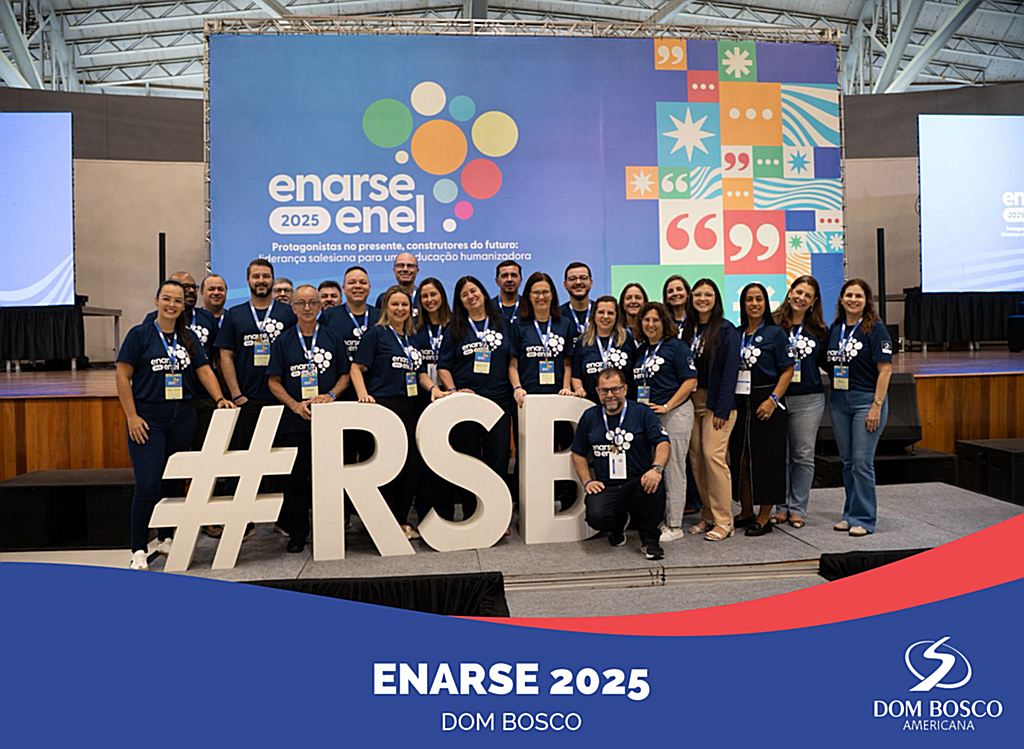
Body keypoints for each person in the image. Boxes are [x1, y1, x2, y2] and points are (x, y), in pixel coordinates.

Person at [116, 280, 234, 570]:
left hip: (182, 417)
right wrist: (132, 416)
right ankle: (138, 548)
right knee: (148, 483)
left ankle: (166, 537)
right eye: (167, 298)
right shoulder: (140, 334)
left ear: (184, 305)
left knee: (173, 481)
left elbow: (204, 370)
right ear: (156, 300)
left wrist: (220, 398)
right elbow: (122, 376)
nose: (172, 305)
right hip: (149, 418)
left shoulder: (188, 337)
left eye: (178, 300)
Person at [214, 258, 297, 533]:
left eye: (265, 276)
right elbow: (225, 356)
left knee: (283, 463)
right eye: (256, 276)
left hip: (282, 400)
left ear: (273, 279)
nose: (261, 281)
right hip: (247, 400)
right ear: (248, 280)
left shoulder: (287, 314)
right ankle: (243, 521)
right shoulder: (235, 315)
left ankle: (284, 521)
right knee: (244, 462)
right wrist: (236, 395)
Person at [267, 285, 351, 552]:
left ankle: (331, 529)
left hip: (328, 420)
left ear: (320, 306)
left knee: (329, 476)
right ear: (292, 308)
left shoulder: (332, 337)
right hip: (295, 420)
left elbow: (345, 375)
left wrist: (330, 395)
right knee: (295, 479)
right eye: (301, 303)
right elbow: (273, 381)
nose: (307, 308)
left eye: (312, 303)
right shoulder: (283, 341)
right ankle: (298, 532)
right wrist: (294, 405)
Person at [351, 286, 437, 540]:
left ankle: (400, 519)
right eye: (394, 304)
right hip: (384, 409)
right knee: (386, 467)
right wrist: (363, 394)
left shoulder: (413, 338)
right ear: (385, 308)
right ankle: (382, 523)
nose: (400, 309)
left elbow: (420, 374)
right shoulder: (375, 334)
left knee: (409, 468)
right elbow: (356, 368)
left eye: (404, 305)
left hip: (411, 408)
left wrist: (435, 390)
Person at [571, 367, 670, 561]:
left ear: (624, 389)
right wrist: (587, 481)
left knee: (654, 486)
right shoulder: (590, 416)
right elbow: (577, 453)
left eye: (615, 389)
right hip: (607, 484)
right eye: (604, 390)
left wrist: (657, 469)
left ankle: (650, 540)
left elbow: (662, 443)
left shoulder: (642, 412)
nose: (610, 395)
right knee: (596, 516)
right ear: (597, 391)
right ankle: (617, 526)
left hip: (638, 481)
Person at [436, 276, 512, 522]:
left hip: (498, 401)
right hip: (466, 405)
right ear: (459, 301)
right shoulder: (455, 328)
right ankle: (472, 513)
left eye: (474, 291)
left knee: (497, 459)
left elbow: (512, 360)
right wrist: (454, 390)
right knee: (468, 459)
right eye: (464, 294)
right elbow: (443, 366)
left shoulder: (502, 323)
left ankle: (497, 516)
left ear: (483, 292)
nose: (471, 296)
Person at [826, 278, 893, 537]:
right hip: (839, 401)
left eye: (859, 296)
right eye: (849, 295)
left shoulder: (875, 329)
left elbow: (885, 370)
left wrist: (876, 406)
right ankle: (850, 514)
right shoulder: (836, 328)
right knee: (847, 462)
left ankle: (864, 518)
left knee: (862, 462)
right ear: (841, 299)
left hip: (867, 401)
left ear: (867, 301)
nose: (853, 300)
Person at [729, 283, 795, 536]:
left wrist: (772, 399)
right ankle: (746, 511)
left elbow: (788, 370)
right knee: (742, 458)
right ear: (743, 304)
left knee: (767, 460)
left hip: (767, 399)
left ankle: (765, 515)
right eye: (749, 299)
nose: (754, 304)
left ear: (766, 303)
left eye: (759, 299)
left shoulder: (776, 333)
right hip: (741, 401)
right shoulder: (736, 333)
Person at [509, 272, 577, 511]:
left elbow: (567, 361)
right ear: (528, 296)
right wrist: (518, 388)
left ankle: (565, 500)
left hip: (558, 400)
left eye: (545, 292)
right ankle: (528, 504)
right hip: (528, 400)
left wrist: (566, 387)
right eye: (536, 292)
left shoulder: (564, 324)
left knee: (561, 449)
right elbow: (512, 363)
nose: (541, 297)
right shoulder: (519, 326)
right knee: (529, 452)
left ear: (552, 294)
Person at [632, 302, 697, 542]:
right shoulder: (642, 351)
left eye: (655, 320)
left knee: (673, 468)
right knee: (654, 467)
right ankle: (662, 517)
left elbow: (690, 381)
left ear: (664, 322)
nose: (650, 324)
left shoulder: (677, 347)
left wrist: (668, 405)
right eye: (646, 320)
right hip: (650, 416)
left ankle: (675, 524)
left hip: (675, 414)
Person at [683, 279, 740, 542]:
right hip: (691, 401)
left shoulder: (727, 330)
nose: (702, 299)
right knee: (696, 459)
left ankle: (724, 520)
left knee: (712, 456)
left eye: (708, 294)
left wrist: (723, 407)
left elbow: (730, 372)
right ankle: (707, 514)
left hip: (717, 403)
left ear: (716, 299)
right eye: (698, 294)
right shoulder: (687, 329)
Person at [772, 275, 829, 528]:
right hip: (778, 398)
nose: (801, 298)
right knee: (779, 455)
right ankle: (780, 506)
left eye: (807, 295)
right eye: (798, 292)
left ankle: (797, 508)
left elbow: (828, 363)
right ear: (790, 293)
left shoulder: (820, 331)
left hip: (809, 400)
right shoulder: (774, 324)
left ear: (814, 301)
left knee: (803, 455)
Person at [572, 295, 635, 403]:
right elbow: (576, 375)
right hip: (592, 404)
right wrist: (579, 388)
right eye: (601, 312)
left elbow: (634, 372)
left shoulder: (626, 339)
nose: (605, 316)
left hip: (622, 404)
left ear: (616, 316)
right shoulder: (583, 341)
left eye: (610, 313)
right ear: (594, 315)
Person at [374, 252, 420, 318]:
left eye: (410, 266)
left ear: (417, 270)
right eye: (401, 265)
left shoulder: (424, 297)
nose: (405, 269)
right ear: (394, 270)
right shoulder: (383, 298)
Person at [560, 262, 594, 344]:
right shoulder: (557, 315)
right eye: (572, 279)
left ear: (591, 282)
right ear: (565, 284)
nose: (578, 282)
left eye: (583, 278)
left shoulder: (602, 313)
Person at [493, 259, 523, 324]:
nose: (509, 279)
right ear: (497, 281)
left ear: (520, 280)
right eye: (504, 276)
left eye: (514, 275)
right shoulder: (488, 307)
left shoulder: (529, 306)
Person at [662, 275, 691, 339]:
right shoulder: (662, 323)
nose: (675, 293)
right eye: (670, 291)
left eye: (679, 289)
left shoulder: (696, 320)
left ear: (687, 294)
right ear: (666, 298)